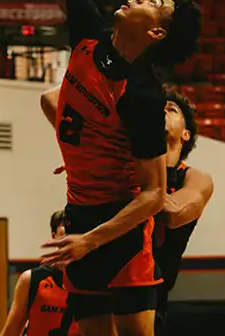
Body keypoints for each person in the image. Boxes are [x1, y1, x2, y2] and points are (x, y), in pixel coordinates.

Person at [41, 86, 213, 335]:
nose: (161, 110)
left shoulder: (196, 178)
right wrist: (121, 76)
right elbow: (50, 98)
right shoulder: (120, 161)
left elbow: (173, 215)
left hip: (146, 299)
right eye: (158, 105)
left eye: (171, 109)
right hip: (94, 281)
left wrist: (122, 169)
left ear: (185, 134)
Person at [0, 210, 79, 336]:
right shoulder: (32, 279)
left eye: (75, 234)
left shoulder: (95, 282)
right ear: (54, 236)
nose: (70, 240)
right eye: (65, 235)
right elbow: (11, 330)